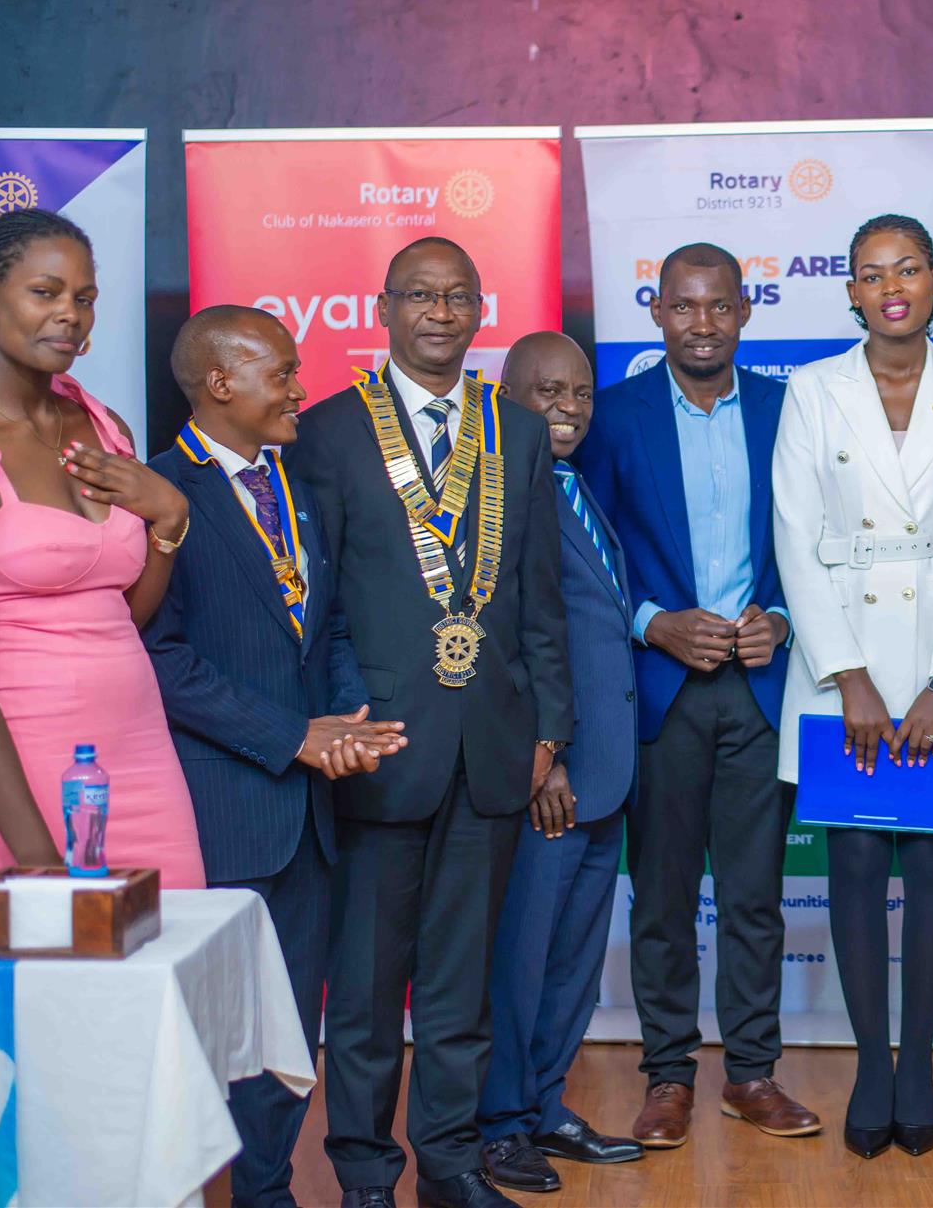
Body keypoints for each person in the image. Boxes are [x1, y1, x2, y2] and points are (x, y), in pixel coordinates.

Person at [288, 237, 573, 1208]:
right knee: (368, 990)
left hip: (494, 748)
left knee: (462, 982)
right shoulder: (328, 432)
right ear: (385, 309)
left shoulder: (516, 431)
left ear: (480, 310)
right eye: (420, 295)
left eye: (457, 297)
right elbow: (321, 603)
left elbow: (542, 599)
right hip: (379, 748)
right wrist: (345, 719)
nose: (440, 313)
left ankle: (449, 1165)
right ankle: (366, 1175)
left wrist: (549, 732)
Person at [142, 305, 406, 1208]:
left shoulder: (293, 484)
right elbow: (160, 659)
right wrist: (293, 738)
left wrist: (348, 721)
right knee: (205, 1032)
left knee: (286, 1030)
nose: (300, 388)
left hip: (307, 819)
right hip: (219, 809)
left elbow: (325, 626)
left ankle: (266, 1191)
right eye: (282, 373)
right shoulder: (159, 490)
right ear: (220, 382)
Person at [771, 213, 933, 1160]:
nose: (892, 287)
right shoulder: (813, 388)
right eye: (872, 274)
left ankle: (919, 1063)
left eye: (907, 268)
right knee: (858, 863)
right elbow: (795, 534)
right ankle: (872, 1064)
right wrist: (850, 676)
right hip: (848, 663)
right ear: (851, 293)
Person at [578, 242, 819, 1149]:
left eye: (719, 305)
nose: (703, 323)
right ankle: (669, 1076)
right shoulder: (614, 416)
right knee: (663, 895)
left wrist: (783, 619)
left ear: (747, 310)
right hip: (660, 689)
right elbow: (587, 552)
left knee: (755, 895)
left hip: (759, 689)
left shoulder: (790, 410)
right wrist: (652, 622)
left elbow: (820, 542)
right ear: (657, 311)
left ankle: (751, 1073)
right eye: (684, 306)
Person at [0, 209, 204, 888]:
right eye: (45, 292)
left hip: (139, 761)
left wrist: (169, 519)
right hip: (13, 776)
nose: (70, 315)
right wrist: (39, 861)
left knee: (178, 942)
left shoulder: (105, 428)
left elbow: (125, 617)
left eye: (84, 298)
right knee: (58, 953)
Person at [478, 332, 645, 1190]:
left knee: (573, 959)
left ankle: (543, 1103)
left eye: (580, 391)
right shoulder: (498, 496)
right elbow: (504, 643)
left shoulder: (572, 484)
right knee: (522, 958)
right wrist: (543, 761)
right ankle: (499, 1123)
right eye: (549, 391)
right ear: (507, 396)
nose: (569, 406)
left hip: (604, 773)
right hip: (551, 778)